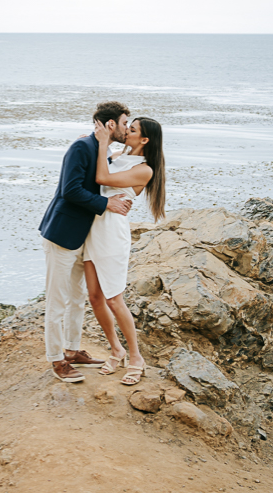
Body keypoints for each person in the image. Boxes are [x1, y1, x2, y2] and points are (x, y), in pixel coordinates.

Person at [39, 101, 133, 383]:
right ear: (111, 124)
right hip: (63, 234)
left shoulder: (101, 149)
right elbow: (70, 191)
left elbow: (121, 161)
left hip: (87, 237)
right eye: (125, 123)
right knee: (57, 302)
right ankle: (56, 360)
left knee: (79, 298)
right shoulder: (81, 147)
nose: (127, 128)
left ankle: (72, 349)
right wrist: (107, 204)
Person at [84, 115, 165, 385]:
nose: (125, 132)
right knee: (95, 297)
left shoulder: (145, 169)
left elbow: (101, 177)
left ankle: (135, 356)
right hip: (92, 228)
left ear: (144, 140)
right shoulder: (117, 154)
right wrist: (105, 145)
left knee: (113, 299)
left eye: (131, 130)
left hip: (111, 232)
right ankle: (115, 349)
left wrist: (103, 142)